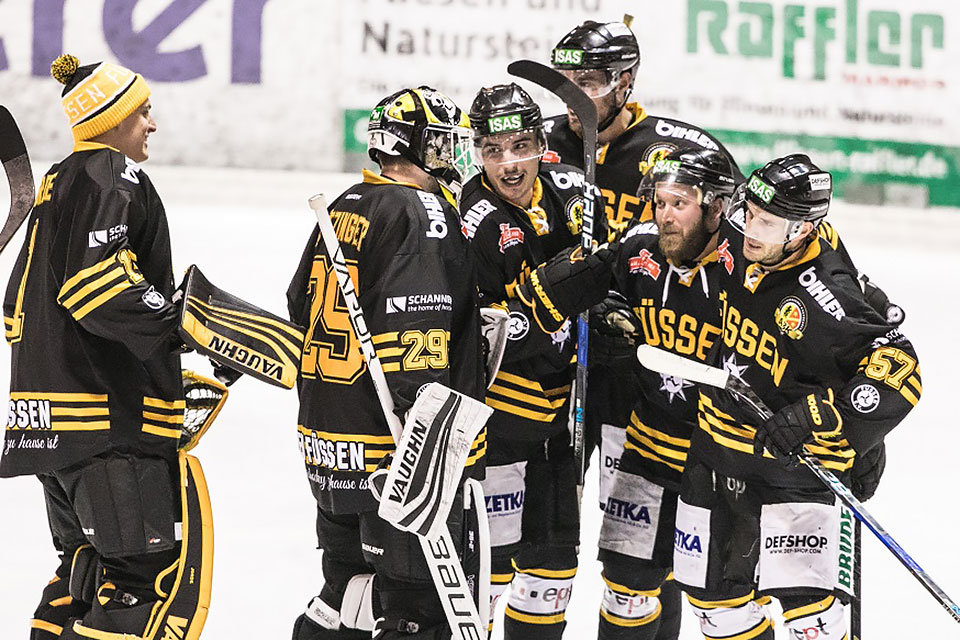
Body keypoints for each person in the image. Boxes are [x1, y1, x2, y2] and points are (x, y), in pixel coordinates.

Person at [545, 20, 746, 637]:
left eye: (592, 81)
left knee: (644, 551)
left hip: (649, 379)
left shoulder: (675, 152)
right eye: (567, 82)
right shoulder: (542, 145)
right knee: (574, 554)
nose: (576, 95)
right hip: (564, 367)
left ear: (625, 80)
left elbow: (734, 258)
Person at [2, 54, 208, 639]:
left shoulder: (58, 181)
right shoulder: (114, 175)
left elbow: (16, 308)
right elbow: (97, 287)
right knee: (136, 585)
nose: (152, 123)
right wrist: (177, 325)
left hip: (49, 430)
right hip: (107, 429)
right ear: (112, 118)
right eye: (143, 110)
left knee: (79, 577)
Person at [673, 154, 919, 640]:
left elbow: (901, 370)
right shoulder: (740, 241)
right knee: (715, 610)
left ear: (802, 230)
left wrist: (826, 416)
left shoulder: (827, 295)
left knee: (815, 624)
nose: (751, 230)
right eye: (751, 213)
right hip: (715, 454)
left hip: (792, 473)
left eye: (768, 222)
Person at [287, 86, 485, 640]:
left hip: (329, 440)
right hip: (395, 455)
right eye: (443, 144)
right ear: (414, 146)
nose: (452, 157)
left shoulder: (346, 204)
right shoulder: (421, 210)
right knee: (418, 609)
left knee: (346, 595)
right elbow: (415, 334)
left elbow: (298, 305)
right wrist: (428, 443)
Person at [459, 83, 609, 640]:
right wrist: (555, 296)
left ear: (542, 144)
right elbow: (489, 334)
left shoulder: (574, 192)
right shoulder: (473, 222)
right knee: (487, 578)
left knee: (551, 574)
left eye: (519, 145)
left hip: (561, 417)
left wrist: (604, 291)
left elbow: (609, 273)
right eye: (492, 150)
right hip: (500, 423)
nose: (507, 163)